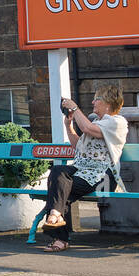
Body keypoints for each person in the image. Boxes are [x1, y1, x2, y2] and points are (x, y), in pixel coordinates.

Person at [41, 85, 129, 252]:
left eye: (97, 99)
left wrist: (74, 107)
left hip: (102, 175)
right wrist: (69, 126)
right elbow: (78, 146)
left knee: (61, 191)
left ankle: (60, 238)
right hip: (82, 169)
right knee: (58, 172)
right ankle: (55, 215)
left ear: (108, 103)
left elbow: (87, 129)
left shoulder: (117, 123)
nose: (93, 101)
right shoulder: (96, 122)